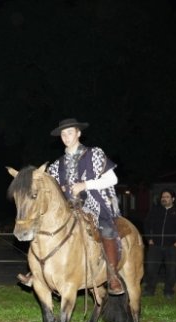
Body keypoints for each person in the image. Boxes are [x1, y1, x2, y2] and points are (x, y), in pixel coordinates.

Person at [17, 118, 125, 295]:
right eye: (63, 134)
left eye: (70, 132)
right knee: (42, 227)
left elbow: (113, 179)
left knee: (106, 228)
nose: (66, 137)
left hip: (95, 204)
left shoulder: (94, 154)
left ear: (79, 133)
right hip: (67, 207)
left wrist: (85, 185)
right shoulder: (56, 166)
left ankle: (112, 275)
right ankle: (36, 272)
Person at [143, 189, 176, 299]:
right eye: (163, 197)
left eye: (167, 197)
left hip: (172, 247)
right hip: (155, 246)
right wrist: (149, 239)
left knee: (171, 270)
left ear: (173, 199)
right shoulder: (155, 210)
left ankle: (168, 291)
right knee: (151, 269)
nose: (164, 198)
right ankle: (150, 290)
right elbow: (146, 225)